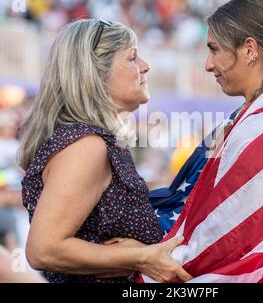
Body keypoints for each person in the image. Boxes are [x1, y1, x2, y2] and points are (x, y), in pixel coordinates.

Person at [139, 0, 263, 283]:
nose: (208, 64)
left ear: (249, 49)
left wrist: (137, 262)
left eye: (214, 49)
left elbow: (220, 247)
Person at [17, 18, 191, 283]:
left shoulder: (94, 141)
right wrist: (140, 258)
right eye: (133, 57)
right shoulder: (86, 146)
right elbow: (43, 249)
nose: (145, 66)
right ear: (96, 74)